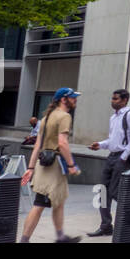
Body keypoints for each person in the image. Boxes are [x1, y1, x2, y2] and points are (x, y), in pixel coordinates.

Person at [20, 88, 83, 242]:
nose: (75, 100)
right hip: (53, 167)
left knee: (59, 202)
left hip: (44, 165)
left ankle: (61, 237)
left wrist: (30, 168)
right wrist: (71, 164)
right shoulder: (64, 117)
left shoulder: (47, 117)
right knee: (39, 204)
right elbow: (62, 143)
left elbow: (37, 146)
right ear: (63, 99)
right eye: (73, 97)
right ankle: (24, 240)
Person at [87, 88, 130, 238]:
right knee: (102, 192)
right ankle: (106, 226)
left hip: (121, 158)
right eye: (112, 98)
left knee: (113, 191)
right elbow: (113, 141)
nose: (112, 101)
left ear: (124, 100)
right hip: (111, 157)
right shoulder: (113, 118)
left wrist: (124, 157)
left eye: (116, 99)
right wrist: (99, 145)